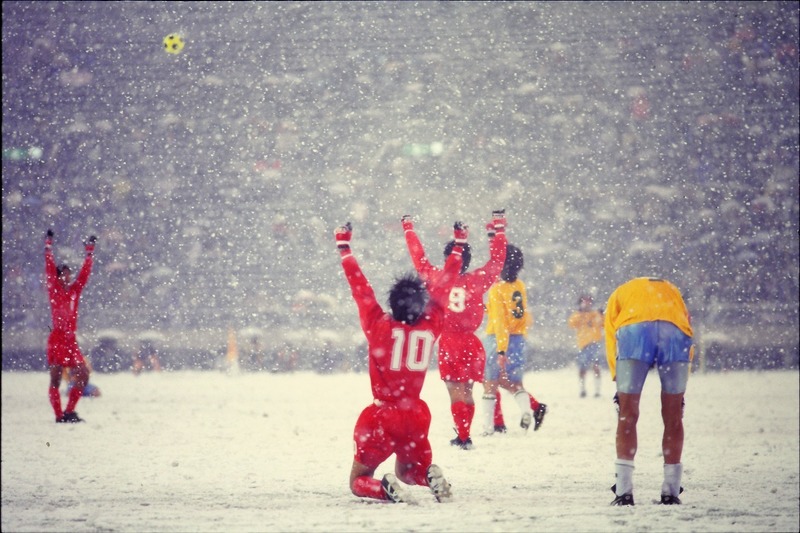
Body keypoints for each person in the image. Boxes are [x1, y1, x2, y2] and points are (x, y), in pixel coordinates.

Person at [336, 220, 464, 503]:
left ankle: (383, 489)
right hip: (416, 413)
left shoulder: (379, 326)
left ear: (392, 304)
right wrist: (458, 248)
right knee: (409, 472)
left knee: (357, 481)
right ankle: (427, 477)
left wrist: (345, 248)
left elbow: (362, 290)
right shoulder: (429, 326)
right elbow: (443, 289)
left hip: (383, 415)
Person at [402, 210, 507, 450]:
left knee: (454, 391)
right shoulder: (478, 279)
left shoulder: (437, 278)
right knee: (468, 390)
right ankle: (465, 434)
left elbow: (419, 260)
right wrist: (499, 230)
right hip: (471, 341)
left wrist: (409, 229)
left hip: (448, 341)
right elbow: (497, 262)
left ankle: (462, 434)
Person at [604, 277, 694, 506]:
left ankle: (624, 492)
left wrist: (618, 379)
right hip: (674, 332)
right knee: (673, 417)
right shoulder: (673, 291)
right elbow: (687, 327)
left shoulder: (621, 291)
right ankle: (671, 491)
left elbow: (611, 332)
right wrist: (681, 389)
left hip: (634, 330)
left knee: (628, 415)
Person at [481, 243, 547, 435]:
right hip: (519, 338)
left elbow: (501, 322)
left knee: (490, 383)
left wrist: (501, 349)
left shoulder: (496, 290)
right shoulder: (520, 286)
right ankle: (526, 411)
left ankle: (487, 428)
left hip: (497, 339)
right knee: (516, 382)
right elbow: (520, 314)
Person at [44, 229, 96, 423]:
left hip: (70, 339)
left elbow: (84, 274)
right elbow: (49, 269)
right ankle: (59, 415)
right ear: (58, 277)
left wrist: (89, 253)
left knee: (83, 374)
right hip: (57, 338)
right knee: (56, 378)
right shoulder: (54, 289)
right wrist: (48, 247)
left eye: (69, 274)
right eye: (64, 274)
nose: (68, 277)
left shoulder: (75, 291)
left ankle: (69, 411)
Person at [568, 294, 605, 398]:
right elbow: (571, 324)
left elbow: (605, 323)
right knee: (582, 368)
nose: (587, 304)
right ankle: (582, 389)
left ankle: (597, 390)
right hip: (583, 345)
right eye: (584, 302)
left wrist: (603, 314)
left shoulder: (596, 314)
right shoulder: (578, 315)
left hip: (595, 343)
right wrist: (580, 314)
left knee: (596, 366)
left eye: (589, 302)